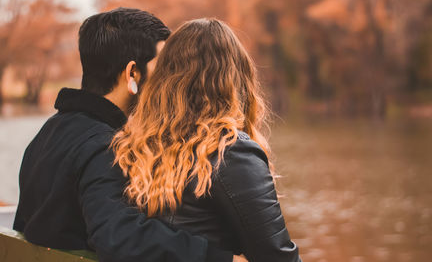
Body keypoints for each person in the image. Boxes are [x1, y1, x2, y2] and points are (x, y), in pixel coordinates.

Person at [13, 8, 245, 262]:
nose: (169, 80)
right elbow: (119, 235)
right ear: (132, 73)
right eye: (164, 68)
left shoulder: (49, 132)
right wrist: (222, 259)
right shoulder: (105, 147)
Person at [112, 18, 302, 262]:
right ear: (237, 77)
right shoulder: (231, 150)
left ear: (164, 79)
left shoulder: (134, 146)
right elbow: (277, 257)